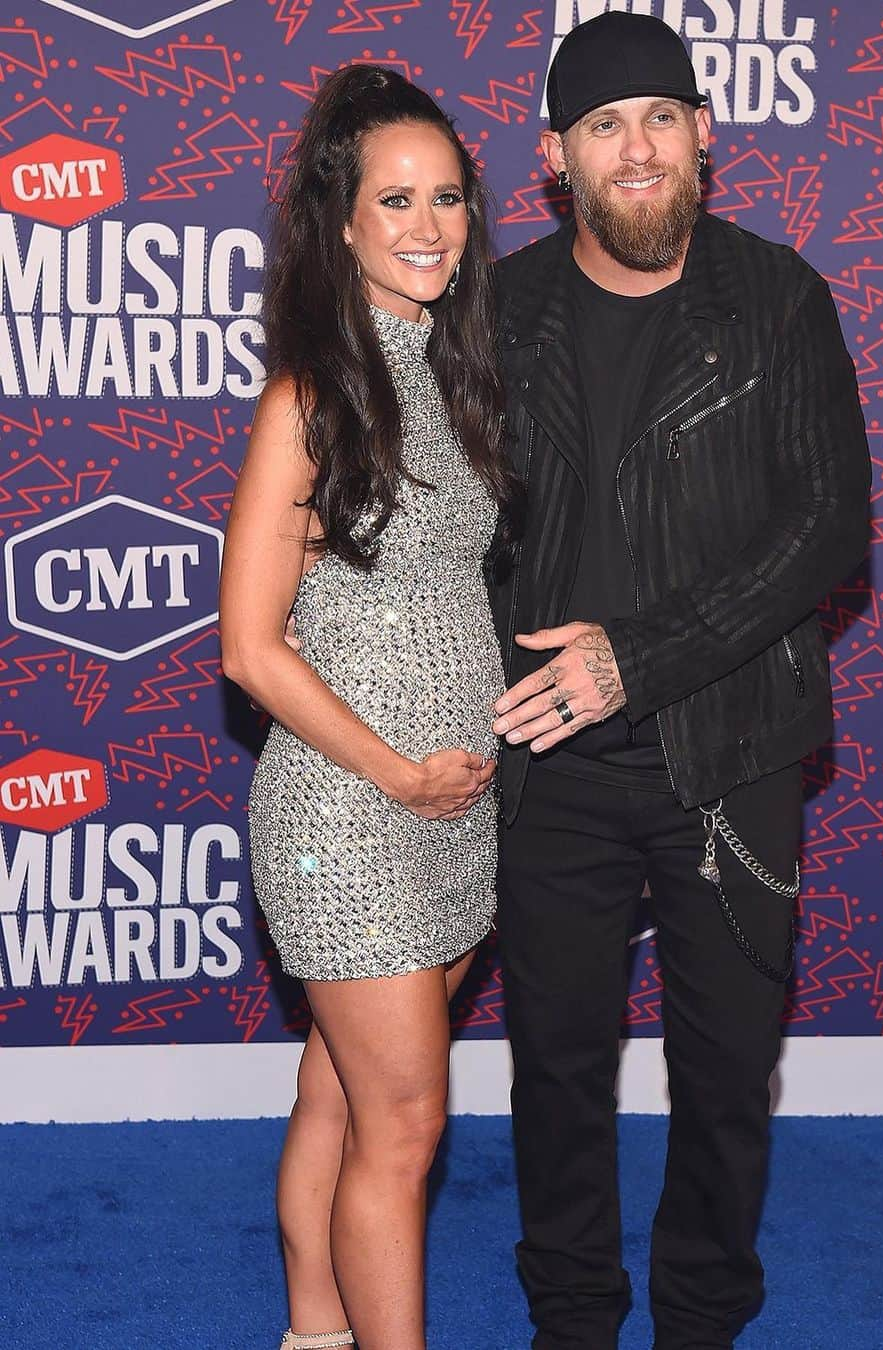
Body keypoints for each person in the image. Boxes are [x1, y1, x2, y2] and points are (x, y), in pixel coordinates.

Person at [489, 12, 871, 1349]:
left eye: (660, 116)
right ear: (557, 156)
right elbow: (444, 531)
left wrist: (632, 660)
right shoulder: (501, 309)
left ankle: (703, 1316)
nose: (637, 147)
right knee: (557, 1073)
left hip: (734, 755)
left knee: (722, 1076)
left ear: (705, 133)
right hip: (550, 761)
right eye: (604, 125)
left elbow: (827, 531)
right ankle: (573, 1320)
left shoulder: (780, 299)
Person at [219, 64, 518, 1350]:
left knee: (340, 1096)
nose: (427, 225)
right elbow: (249, 647)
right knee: (404, 1128)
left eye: (447, 197)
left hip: (458, 810)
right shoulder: (308, 399)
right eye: (394, 199)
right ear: (339, 222)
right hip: (349, 815)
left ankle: (312, 1333)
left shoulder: (458, 385)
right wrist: (398, 773)